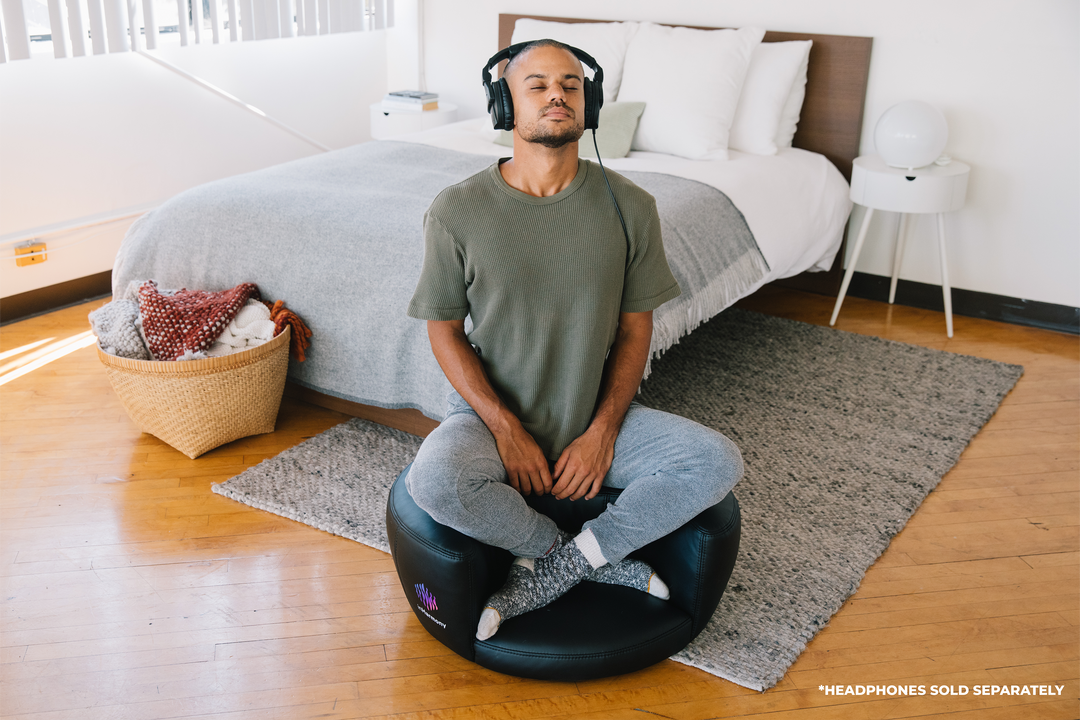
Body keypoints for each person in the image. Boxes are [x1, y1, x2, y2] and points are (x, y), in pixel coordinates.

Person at [406, 39, 744, 641]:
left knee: (715, 460)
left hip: (596, 416)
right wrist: (506, 429)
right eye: (536, 84)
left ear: (589, 102)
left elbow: (636, 328)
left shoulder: (632, 206)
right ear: (504, 103)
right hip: (489, 419)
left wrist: (604, 430)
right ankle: (570, 555)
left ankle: (560, 568)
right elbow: (444, 329)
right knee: (433, 482)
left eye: (570, 83)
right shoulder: (456, 211)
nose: (557, 95)